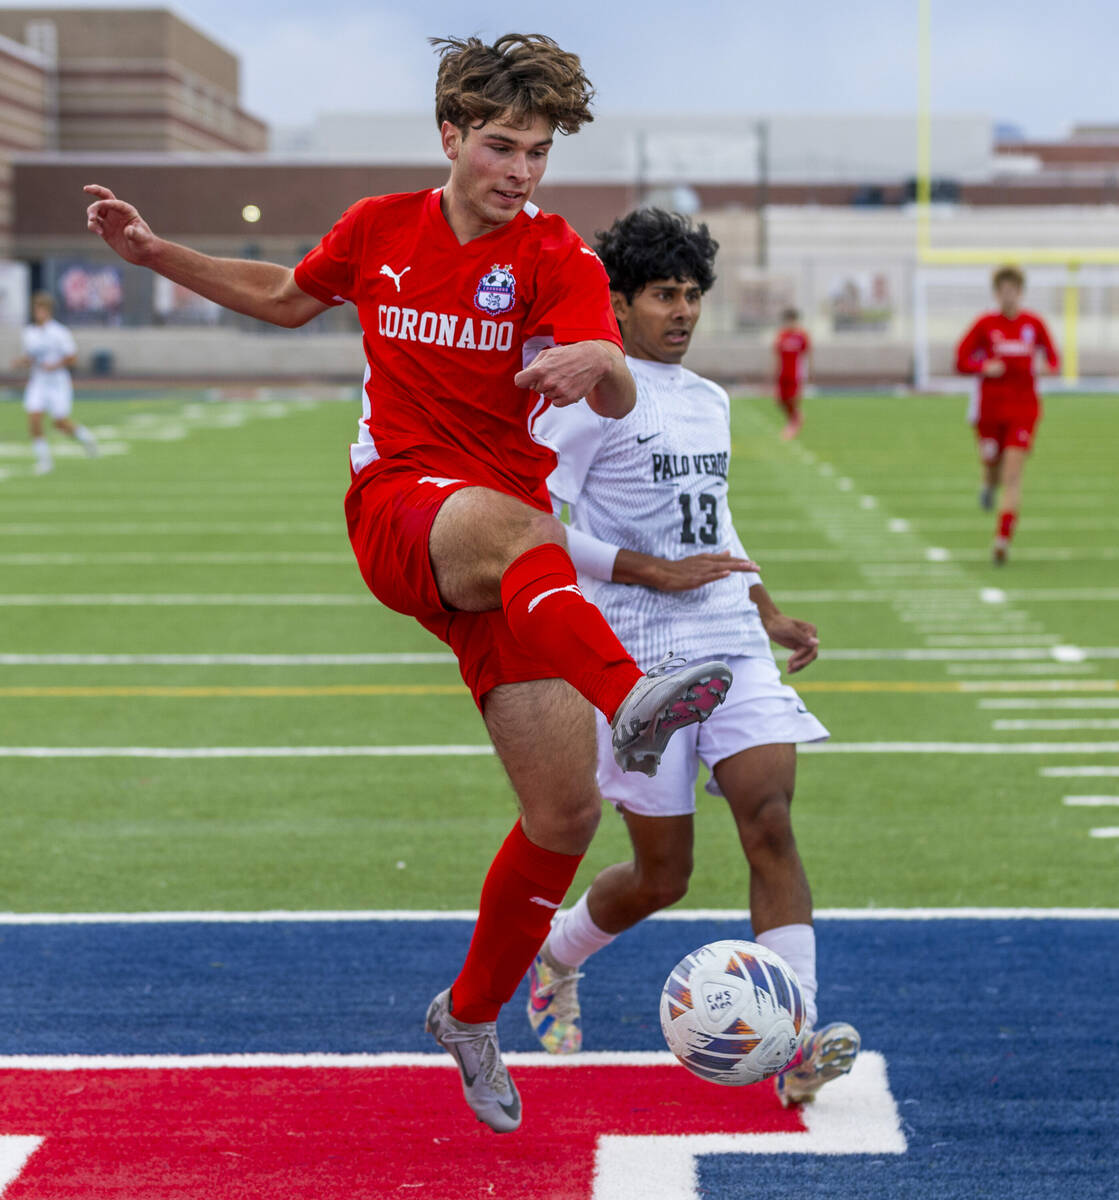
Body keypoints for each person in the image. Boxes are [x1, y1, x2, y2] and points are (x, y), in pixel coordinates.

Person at [85, 34, 733, 1135]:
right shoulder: (381, 228)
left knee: (567, 811)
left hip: (507, 568)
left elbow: (617, 390)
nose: (520, 171)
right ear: (449, 136)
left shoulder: (558, 257)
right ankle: (630, 698)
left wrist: (603, 365)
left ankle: (470, 1014)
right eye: (499, 146)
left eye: (535, 152)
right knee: (524, 523)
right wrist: (156, 254)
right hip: (402, 509)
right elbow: (289, 297)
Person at [529, 208, 860, 1106]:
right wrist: (649, 572)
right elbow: (534, 528)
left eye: (691, 296)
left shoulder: (708, 398)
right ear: (618, 304)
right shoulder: (589, 395)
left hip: (729, 638)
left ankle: (794, 1043)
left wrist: (769, 607)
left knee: (770, 817)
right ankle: (555, 960)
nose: (681, 311)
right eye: (662, 295)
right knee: (661, 876)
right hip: (635, 659)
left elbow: (710, 520)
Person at [955, 265, 1059, 565]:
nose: (1008, 295)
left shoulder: (1033, 324)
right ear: (997, 293)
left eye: (1013, 289)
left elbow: (1052, 358)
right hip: (989, 411)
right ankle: (987, 484)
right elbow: (960, 359)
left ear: (1020, 292)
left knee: (1013, 475)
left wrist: (1046, 367)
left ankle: (1002, 540)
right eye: (1003, 290)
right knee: (993, 469)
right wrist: (983, 367)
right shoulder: (985, 325)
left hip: (1024, 410)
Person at [11, 291, 98, 474]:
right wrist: (21, 362)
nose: (38, 313)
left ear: (48, 311)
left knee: (60, 423)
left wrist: (55, 365)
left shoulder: (59, 332)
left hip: (57, 383)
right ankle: (44, 462)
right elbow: (32, 357)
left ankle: (86, 438)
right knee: (34, 420)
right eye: (36, 309)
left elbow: (72, 357)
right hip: (38, 382)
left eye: (42, 309)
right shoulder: (29, 333)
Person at [773, 306, 812, 439]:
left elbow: (807, 355)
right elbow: (776, 355)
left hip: (796, 374)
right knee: (780, 401)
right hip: (783, 373)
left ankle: (793, 424)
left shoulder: (802, 336)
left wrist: (809, 373)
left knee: (792, 399)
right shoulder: (782, 336)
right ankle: (796, 418)